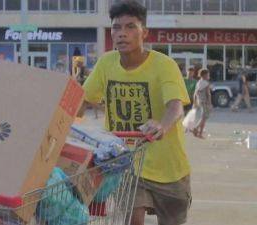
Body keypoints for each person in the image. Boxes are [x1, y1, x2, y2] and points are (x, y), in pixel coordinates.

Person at [78, 2, 191, 225]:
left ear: (144, 32)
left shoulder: (164, 65)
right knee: (132, 219)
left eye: (130, 27)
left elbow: (176, 105)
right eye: (116, 28)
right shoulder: (106, 63)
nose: (122, 34)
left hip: (169, 168)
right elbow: (81, 100)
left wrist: (162, 126)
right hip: (127, 163)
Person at [192, 69, 213, 139]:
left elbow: (195, 93)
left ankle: (199, 133)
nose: (209, 76)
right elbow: (208, 94)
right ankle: (196, 129)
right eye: (208, 75)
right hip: (205, 102)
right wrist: (210, 104)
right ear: (204, 75)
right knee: (204, 118)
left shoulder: (199, 83)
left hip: (200, 101)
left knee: (203, 118)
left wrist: (195, 102)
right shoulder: (206, 83)